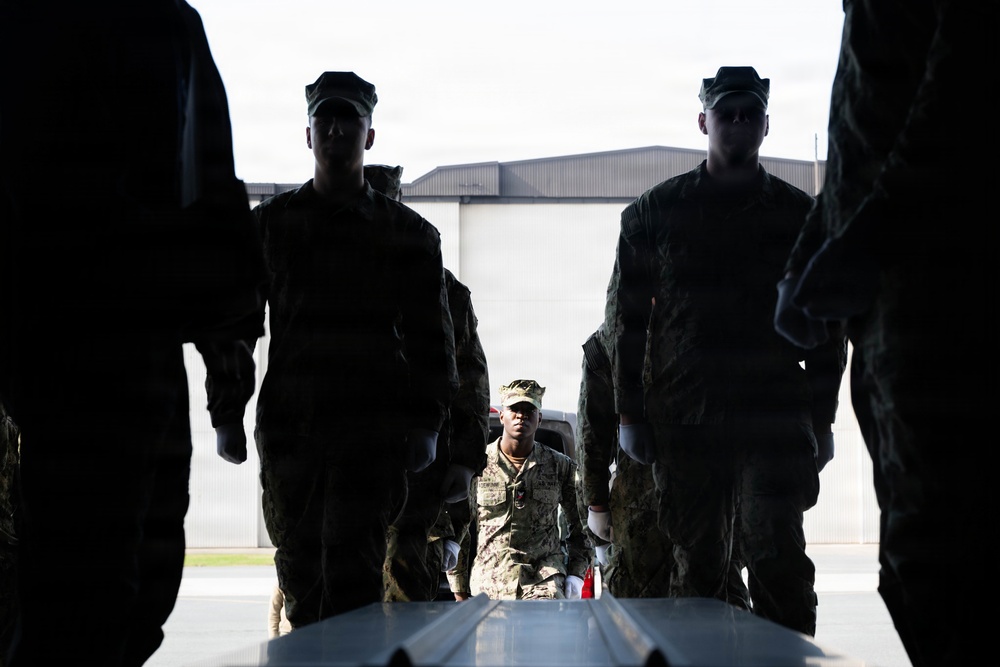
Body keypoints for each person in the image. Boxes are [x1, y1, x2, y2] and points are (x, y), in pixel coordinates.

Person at [0, 2, 268, 665]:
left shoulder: (169, 24)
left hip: (136, 343)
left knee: (139, 586)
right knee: (76, 594)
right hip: (61, 339)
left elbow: (210, 182)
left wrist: (227, 358)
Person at [773, 4, 989, 664]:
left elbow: (961, 99)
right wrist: (813, 253)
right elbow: (862, 136)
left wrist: (862, 242)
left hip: (948, 301)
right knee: (915, 556)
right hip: (894, 314)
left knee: (946, 556)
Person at [604, 66, 847, 636]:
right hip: (686, 417)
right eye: (726, 113)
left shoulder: (800, 217)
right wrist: (629, 412)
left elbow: (830, 327)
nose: (738, 123)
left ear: (766, 124)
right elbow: (628, 322)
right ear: (702, 121)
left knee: (775, 555)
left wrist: (825, 418)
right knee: (699, 567)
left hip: (774, 417)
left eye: (750, 114)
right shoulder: (654, 213)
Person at [249, 71, 459, 629]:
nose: (337, 129)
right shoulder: (271, 226)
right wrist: (227, 408)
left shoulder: (409, 235)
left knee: (356, 584)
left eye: (350, 120)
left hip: (370, 436)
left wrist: (428, 425)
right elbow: (239, 322)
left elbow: (432, 340)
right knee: (298, 577)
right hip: (292, 430)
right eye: (326, 119)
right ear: (309, 132)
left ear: (369, 135)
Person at [363, 164, 491, 603]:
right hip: (346, 452)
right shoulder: (332, 277)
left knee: (404, 578)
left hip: (417, 461)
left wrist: (465, 460)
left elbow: (471, 378)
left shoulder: (444, 289)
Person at [576, 324, 751, 608]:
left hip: (710, 501)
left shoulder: (713, 324)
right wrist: (595, 503)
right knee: (638, 614)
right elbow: (594, 428)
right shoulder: (613, 339)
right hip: (643, 507)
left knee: (716, 609)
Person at [448, 380, 592, 600]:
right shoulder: (479, 465)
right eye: (514, 409)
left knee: (543, 631)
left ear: (539, 419)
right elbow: (460, 527)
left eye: (529, 410)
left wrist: (576, 573)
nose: (521, 416)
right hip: (490, 583)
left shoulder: (559, 466)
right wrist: (458, 586)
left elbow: (581, 524)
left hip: (544, 581)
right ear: (502, 416)